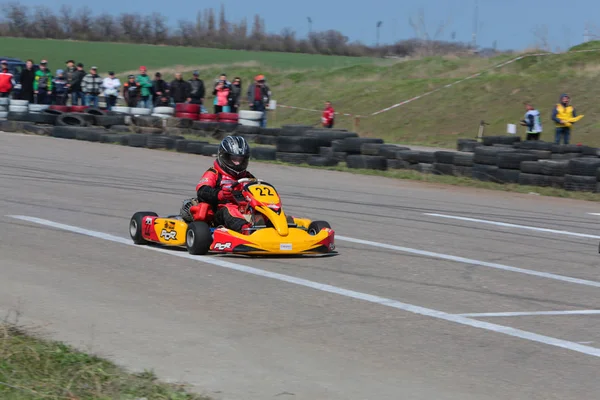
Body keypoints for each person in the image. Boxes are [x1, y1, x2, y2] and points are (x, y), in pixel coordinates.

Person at [191, 136, 255, 233]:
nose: (238, 163)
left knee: (261, 209)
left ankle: (275, 226)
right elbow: (202, 191)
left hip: (243, 210)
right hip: (219, 212)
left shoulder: (247, 177)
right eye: (234, 158)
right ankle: (246, 230)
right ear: (223, 156)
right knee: (229, 209)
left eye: (241, 159)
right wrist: (220, 194)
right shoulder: (214, 173)